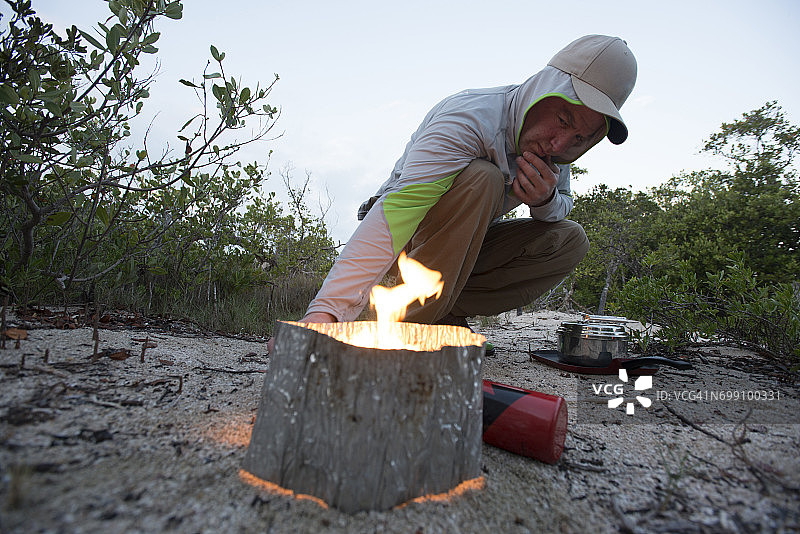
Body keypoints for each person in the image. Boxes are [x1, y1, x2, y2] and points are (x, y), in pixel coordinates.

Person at [273, 34, 637, 351]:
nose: (559, 143)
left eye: (580, 138)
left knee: (569, 239)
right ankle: (404, 329)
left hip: (456, 255)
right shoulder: (471, 117)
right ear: (543, 89)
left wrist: (544, 202)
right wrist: (325, 313)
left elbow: (561, 207)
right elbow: (397, 211)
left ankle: (443, 314)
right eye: (562, 120)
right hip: (403, 246)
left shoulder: (555, 151)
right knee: (485, 179)